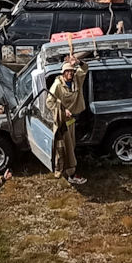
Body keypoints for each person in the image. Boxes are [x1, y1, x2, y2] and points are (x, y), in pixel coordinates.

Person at [44, 50, 89, 186]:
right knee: (66, 148)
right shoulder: (58, 84)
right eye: (67, 72)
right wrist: (63, 111)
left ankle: (67, 170)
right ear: (63, 73)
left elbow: (85, 68)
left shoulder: (77, 80)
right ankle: (71, 174)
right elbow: (49, 102)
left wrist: (77, 61)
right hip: (64, 122)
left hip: (74, 120)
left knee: (71, 146)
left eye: (71, 71)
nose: (70, 74)